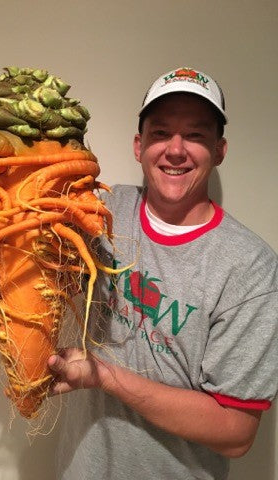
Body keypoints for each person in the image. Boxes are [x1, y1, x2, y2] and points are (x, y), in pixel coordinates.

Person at [48, 67, 278, 480]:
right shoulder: (102, 209)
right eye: (160, 133)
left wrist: (105, 377)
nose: (176, 149)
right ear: (139, 146)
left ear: (219, 150)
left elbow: (237, 432)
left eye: (195, 134)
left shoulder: (251, 268)